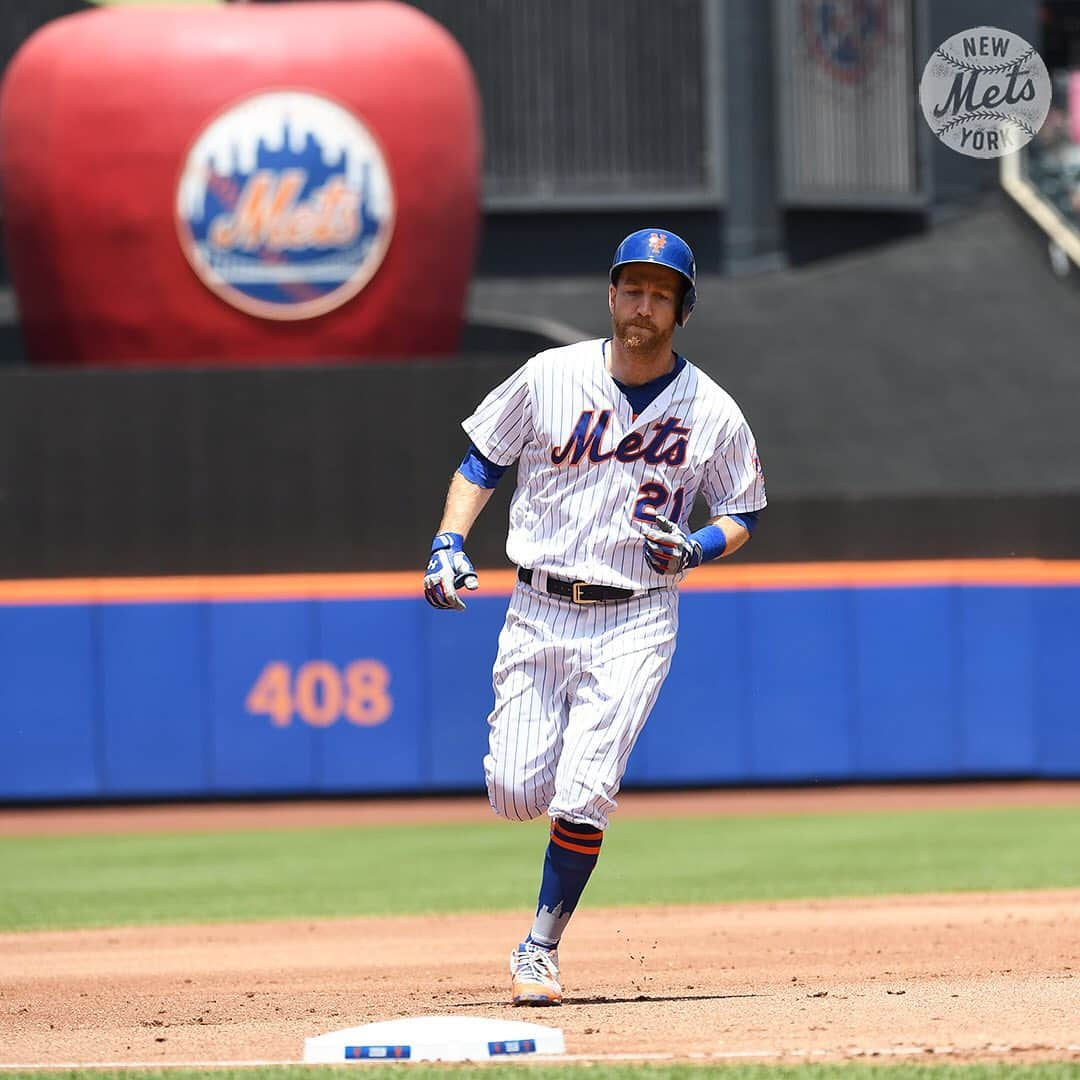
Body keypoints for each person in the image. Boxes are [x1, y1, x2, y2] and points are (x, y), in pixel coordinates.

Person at [423, 227, 766, 1005]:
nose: (644, 304)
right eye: (633, 288)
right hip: (539, 606)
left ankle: (539, 947)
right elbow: (482, 458)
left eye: (661, 293)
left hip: (637, 616)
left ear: (683, 309)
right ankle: (552, 832)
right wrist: (448, 539)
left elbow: (743, 508)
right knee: (514, 791)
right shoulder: (550, 376)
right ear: (612, 295)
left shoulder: (711, 410)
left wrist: (699, 546)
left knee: (583, 794)